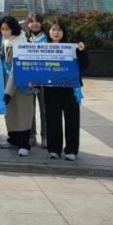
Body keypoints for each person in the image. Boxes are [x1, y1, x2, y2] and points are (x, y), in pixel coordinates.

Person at [44, 21, 89, 161]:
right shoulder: (43, 48)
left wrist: (82, 51)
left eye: (59, 30)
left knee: (72, 120)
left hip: (70, 89)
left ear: (64, 32)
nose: (56, 32)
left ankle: (71, 150)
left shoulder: (72, 47)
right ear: (49, 32)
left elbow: (84, 66)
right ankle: (54, 149)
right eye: (53, 29)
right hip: (51, 90)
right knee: (52, 120)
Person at [0, 16, 35, 157]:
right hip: (8, 83)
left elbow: (16, 69)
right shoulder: (5, 41)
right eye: (2, 29)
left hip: (22, 85)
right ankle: (13, 139)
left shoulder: (23, 42)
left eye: (7, 29)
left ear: (13, 29)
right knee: (11, 113)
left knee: (23, 114)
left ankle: (25, 144)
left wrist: (8, 92)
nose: (4, 32)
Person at [26, 13, 47, 148]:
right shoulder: (24, 38)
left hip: (45, 79)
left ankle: (45, 136)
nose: (34, 24)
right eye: (31, 21)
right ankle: (31, 135)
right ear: (27, 24)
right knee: (30, 109)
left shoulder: (48, 38)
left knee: (45, 109)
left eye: (37, 21)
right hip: (29, 79)